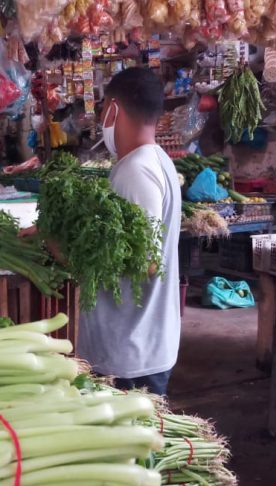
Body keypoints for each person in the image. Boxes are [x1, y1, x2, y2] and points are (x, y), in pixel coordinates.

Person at [78, 67, 182, 396]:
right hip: (138, 345)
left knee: (131, 446)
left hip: (131, 353)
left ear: (113, 108)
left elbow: (146, 262)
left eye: (101, 108)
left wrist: (67, 251)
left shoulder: (137, 171)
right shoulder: (156, 161)